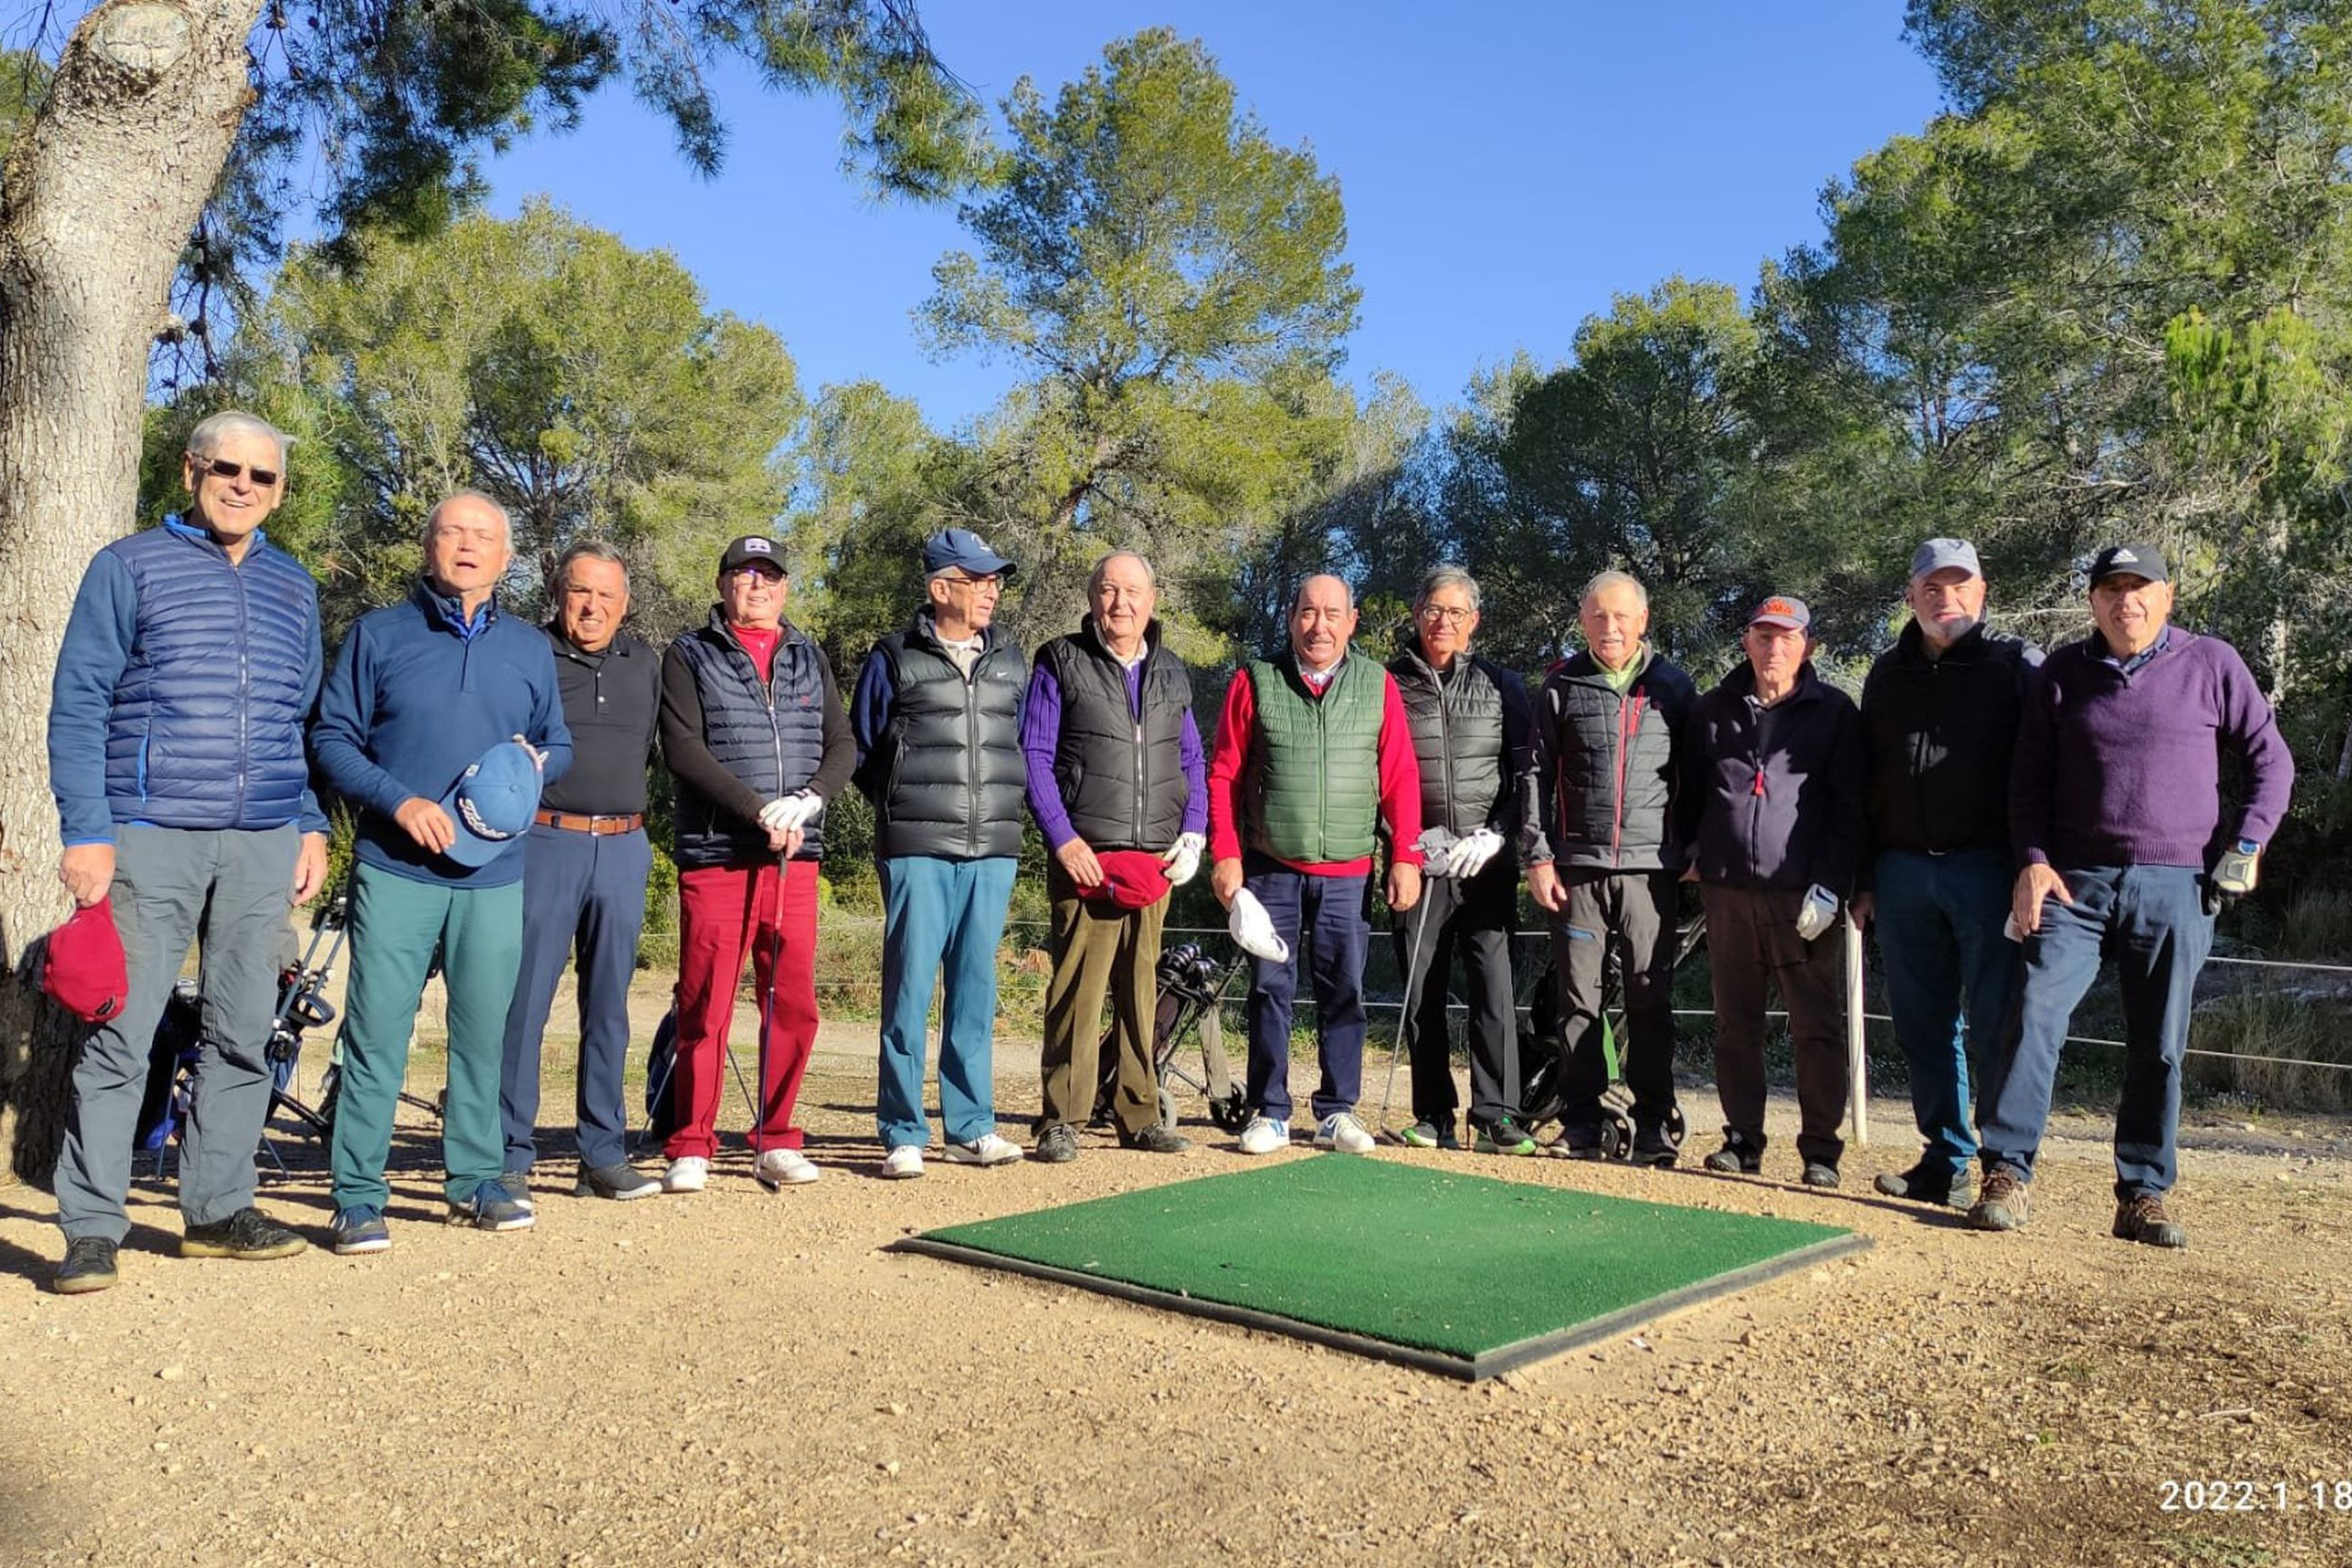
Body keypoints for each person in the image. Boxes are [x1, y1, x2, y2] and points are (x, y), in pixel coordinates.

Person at [43, 411, 328, 1293]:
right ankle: (93, 1228)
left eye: (262, 476)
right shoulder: (128, 566)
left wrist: (309, 821)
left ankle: (217, 1210)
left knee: (242, 1035)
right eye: (226, 469)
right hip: (148, 833)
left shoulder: (294, 587)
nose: (243, 486)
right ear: (191, 472)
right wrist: (87, 832)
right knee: (121, 1035)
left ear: (280, 491)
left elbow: (295, 721)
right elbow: (79, 702)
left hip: (261, 841)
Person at [1973, 544, 2292, 1247]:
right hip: (2074, 883)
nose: (2127, 601)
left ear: (2166, 596)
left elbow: (2271, 759)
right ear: (2092, 601)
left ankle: (2142, 1193)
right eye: (2111, 589)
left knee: (2158, 1044)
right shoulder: (2060, 674)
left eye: (2140, 587)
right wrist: (2031, 863)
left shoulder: (2211, 663)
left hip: (2176, 883)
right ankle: (2005, 1173)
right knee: (2031, 1015)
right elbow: (2025, 783)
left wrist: (2246, 845)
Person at [313, 490, 572, 1254]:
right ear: (429, 546)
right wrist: (398, 801)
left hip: (494, 874)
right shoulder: (380, 633)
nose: (467, 546)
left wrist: (532, 768)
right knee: (376, 1035)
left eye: (483, 536)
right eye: (453, 532)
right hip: (395, 868)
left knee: (481, 1035)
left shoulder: (529, 648)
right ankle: (357, 1196)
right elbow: (331, 739)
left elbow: (558, 742)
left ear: (505, 557)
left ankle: (476, 1182)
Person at [657, 533, 854, 1192]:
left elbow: (841, 744)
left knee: (792, 1003)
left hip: (794, 855)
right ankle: (692, 1142)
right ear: (723, 586)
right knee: (705, 1004)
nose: (758, 586)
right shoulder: (690, 654)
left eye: (769, 576)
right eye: (744, 575)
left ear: (785, 587)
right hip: (718, 853)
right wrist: (755, 809)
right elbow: (683, 748)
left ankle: (776, 1137)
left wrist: (807, 800)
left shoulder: (807, 655)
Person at [1208, 573, 1424, 1155]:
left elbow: (1400, 777)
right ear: (1291, 618)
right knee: (1268, 990)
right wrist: (1225, 854)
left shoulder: (1378, 684)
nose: (1319, 625)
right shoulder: (1256, 679)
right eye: (1308, 612)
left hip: (1349, 871)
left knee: (1344, 992)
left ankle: (1336, 1111)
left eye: (1332, 614)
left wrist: (1405, 854)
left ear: (1352, 622)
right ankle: (1270, 1111)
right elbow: (1224, 773)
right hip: (1270, 866)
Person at [1857, 539, 2040, 1209]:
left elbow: (2045, 770)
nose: (1946, 599)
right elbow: (1865, 778)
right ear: (1910, 596)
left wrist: (2034, 864)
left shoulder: (2015, 667)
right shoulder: (1886, 674)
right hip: (1902, 872)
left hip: (1988, 870)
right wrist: (1864, 876)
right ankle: (1945, 1159)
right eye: (1932, 588)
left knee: (1997, 1024)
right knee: (1921, 1025)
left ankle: (2003, 1167)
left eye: (1960, 586)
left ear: (1981, 592)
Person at [850, 528, 1030, 1179]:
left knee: (975, 990)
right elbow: (863, 750)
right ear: (939, 588)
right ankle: (903, 1131)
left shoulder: (1011, 660)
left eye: (994, 580)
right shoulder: (893, 657)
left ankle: (971, 1127)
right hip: (916, 847)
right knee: (908, 990)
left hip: (993, 848)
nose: (990, 591)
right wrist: (907, 808)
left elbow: (1021, 745)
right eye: (977, 580)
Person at [1023, 550, 1206, 1161]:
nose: (1119, 603)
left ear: (1152, 601)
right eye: (1107, 590)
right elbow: (1034, 756)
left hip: (1155, 861)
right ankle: (1062, 1118)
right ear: (1091, 597)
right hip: (1086, 858)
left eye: (1131, 592)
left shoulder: (1172, 672)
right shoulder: (1061, 660)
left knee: (1141, 991)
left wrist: (1194, 833)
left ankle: (1139, 1112)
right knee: (1077, 992)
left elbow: (1191, 759)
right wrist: (1063, 838)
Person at [1678, 594, 1866, 1188]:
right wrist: (1691, 852)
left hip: (1803, 896)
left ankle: (1820, 1151)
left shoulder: (1835, 713)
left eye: (1787, 637)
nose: (1774, 648)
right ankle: (1742, 1140)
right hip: (1728, 894)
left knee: (1816, 1027)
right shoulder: (1713, 709)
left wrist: (1832, 885)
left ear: (1807, 645)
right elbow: (1688, 789)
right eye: (1764, 636)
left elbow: (1851, 809)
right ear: (1747, 642)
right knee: (1736, 1025)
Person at [496, 543, 664, 1202]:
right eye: (580, 592)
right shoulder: (528, 654)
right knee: (524, 1004)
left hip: (623, 845)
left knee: (609, 1008)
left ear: (625, 604)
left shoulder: (644, 663)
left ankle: (601, 1153)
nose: (592, 607)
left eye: (606, 595)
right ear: (559, 593)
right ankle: (507, 1154)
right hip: (545, 841)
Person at [1524, 569, 1698, 1165]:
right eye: (1598, 615)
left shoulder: (1673, 687)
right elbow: (1534, 774)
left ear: (1642, 620)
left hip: (1652, 871)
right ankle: (1581, 1124)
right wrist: (1537, 855)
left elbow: (1697, 775)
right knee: (1578, 1002)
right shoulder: (1561, 684)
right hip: (1576, 868)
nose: (1610, 627)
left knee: (1650, 999)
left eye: (1621, 616)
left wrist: (1694, 847)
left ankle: (1652, 1126)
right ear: (1583, 621)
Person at [1385, 566, 1538, 1155]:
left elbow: (1525, 775)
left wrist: (1498, 835)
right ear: (1416, 614)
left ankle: (1497, 1114)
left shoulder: (1504, 685)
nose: (1443, 622)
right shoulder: (1387, 683)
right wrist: (1404, 841)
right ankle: (1433, 1115)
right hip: (1417, 860)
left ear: (1473, 621)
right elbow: (1375, 774)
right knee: (1420, 991)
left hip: (1484, 864)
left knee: (1492, 986)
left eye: (1455, 612)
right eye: (1433, 610)